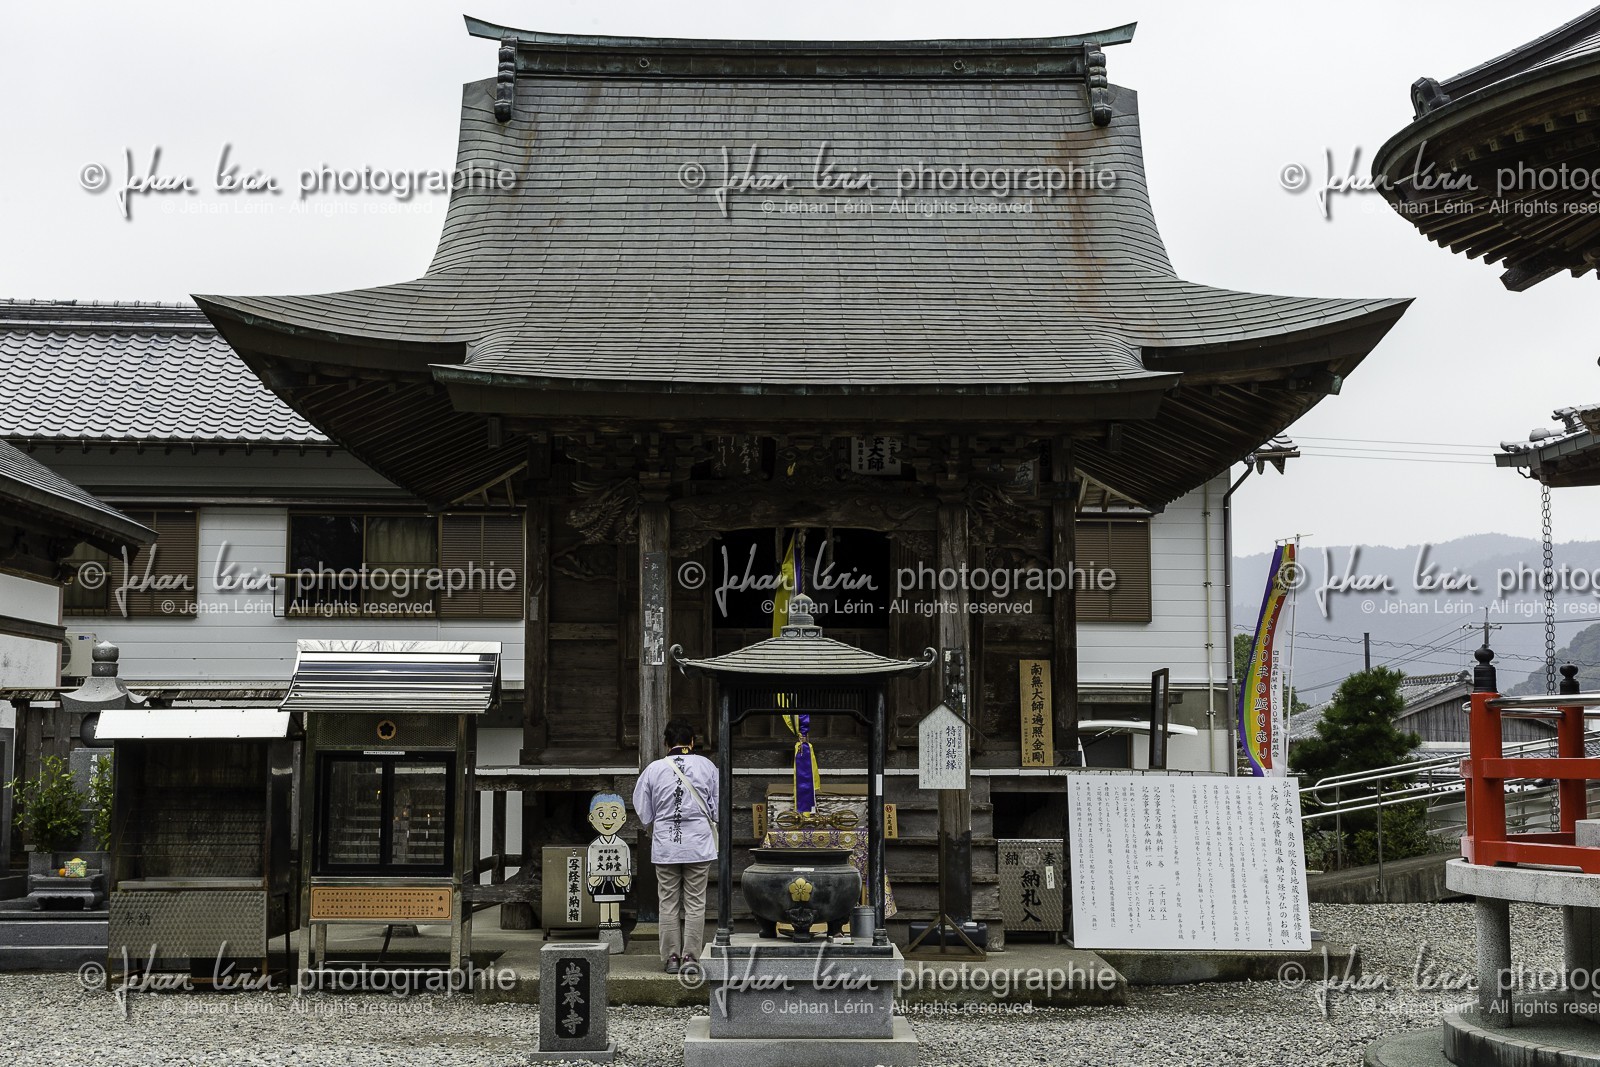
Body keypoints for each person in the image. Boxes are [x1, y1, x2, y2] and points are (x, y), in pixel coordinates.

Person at [632, 718, 718, 975]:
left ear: (666, 743)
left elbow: (643, 809)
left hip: (666, 844)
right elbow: (717, 805)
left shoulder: (654, 769)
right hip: (698, 844)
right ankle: (691, 956)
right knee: (695, 901)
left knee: (667, 901)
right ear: (692, 742)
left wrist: (654, 823)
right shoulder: (707, 766)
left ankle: (671, 957)